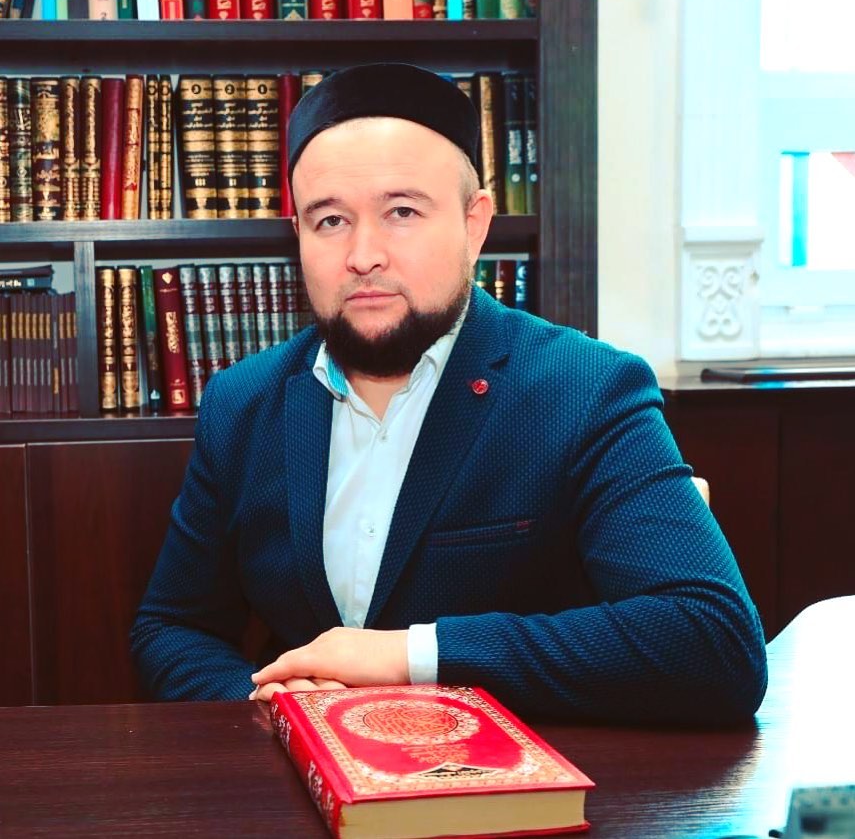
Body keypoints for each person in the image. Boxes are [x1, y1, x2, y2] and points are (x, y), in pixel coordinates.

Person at [131, 63, 767, 724]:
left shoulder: (584, 390)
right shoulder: (243, 402)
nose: (363, 254)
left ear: (474, 224)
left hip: (515, 779)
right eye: (330, 220)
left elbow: (712, 640)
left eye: (401, 212)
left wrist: (410, 657)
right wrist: (272, 705)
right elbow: (172, 627)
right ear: (298, 237)